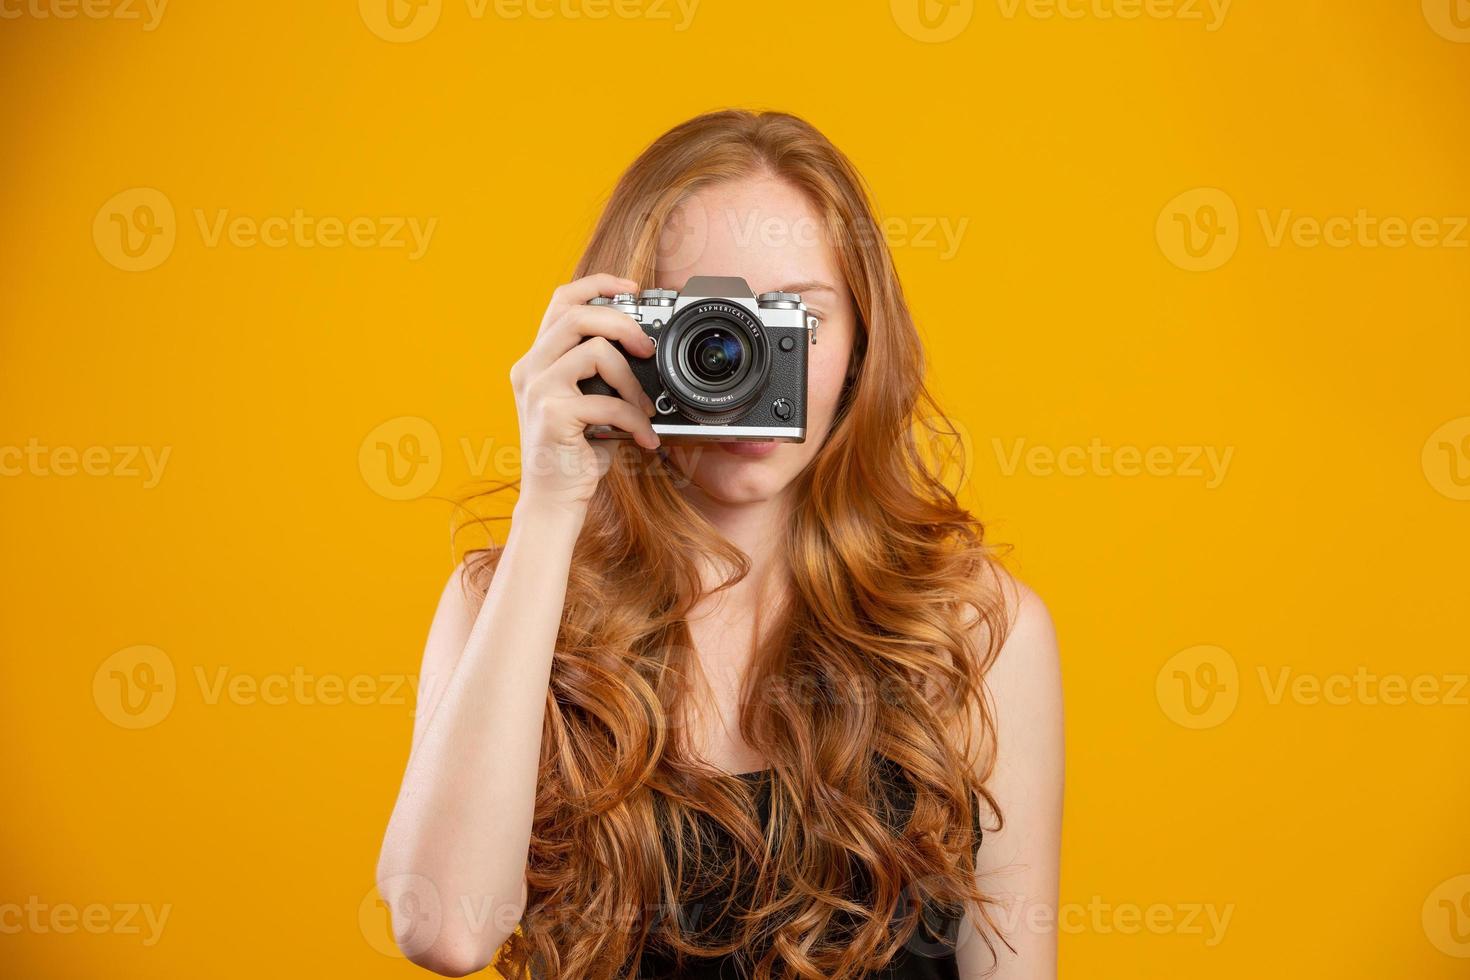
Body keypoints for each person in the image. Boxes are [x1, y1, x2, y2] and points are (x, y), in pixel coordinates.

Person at [376, 108, 1064, 979]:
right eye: (709, 324)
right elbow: (445, 931)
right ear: (622, 330)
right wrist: (552, 503)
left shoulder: (972, 631)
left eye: (795, 320)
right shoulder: (506, 601)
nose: (744, 360)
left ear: (859, 345)